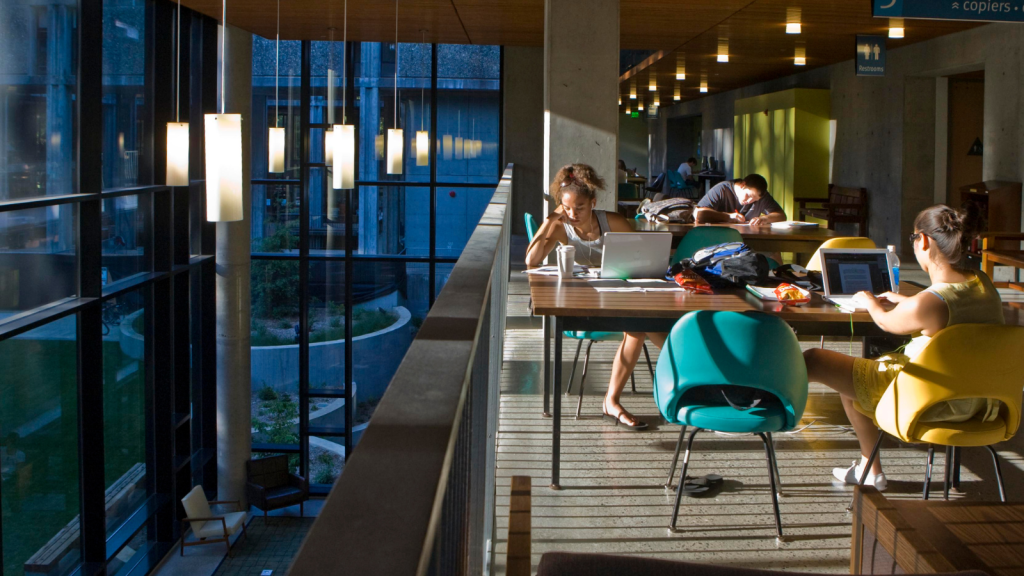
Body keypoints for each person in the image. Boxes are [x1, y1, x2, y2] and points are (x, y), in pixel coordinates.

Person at [804, 205, 1004, 490]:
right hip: (981, 399)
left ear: (924, 241)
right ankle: (868, 469)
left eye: (913, 238)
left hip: (928, 400)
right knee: (852, 382)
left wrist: (870, 301)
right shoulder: (984, 284)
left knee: (814, 359)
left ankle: (754, 407)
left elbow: (886, 323)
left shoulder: (929, 304)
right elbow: (950, 306)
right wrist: (909, 302)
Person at [526, 164, 654, 428]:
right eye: (567, 208)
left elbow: (642, 257)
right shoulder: (561, 227)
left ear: (593, 203)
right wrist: (550, 220)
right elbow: (531, 260)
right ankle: (696, 388)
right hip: (581, 304)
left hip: (618, 296)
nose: (573, 214)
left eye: (580, 208)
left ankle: (615, 401)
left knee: (652, 326)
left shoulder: (613, 222)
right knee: (645, 327)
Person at [695, 174, 786, 226]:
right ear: (742, 185)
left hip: (748, 239)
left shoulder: (761, 195)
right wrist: (728, 217)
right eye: (748, 195)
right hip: (719, 238)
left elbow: (781, 215)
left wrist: (765, 218)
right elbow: (699, 213)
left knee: (773, 250)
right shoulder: (721, 189)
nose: (749, 201)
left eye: (755, 200)